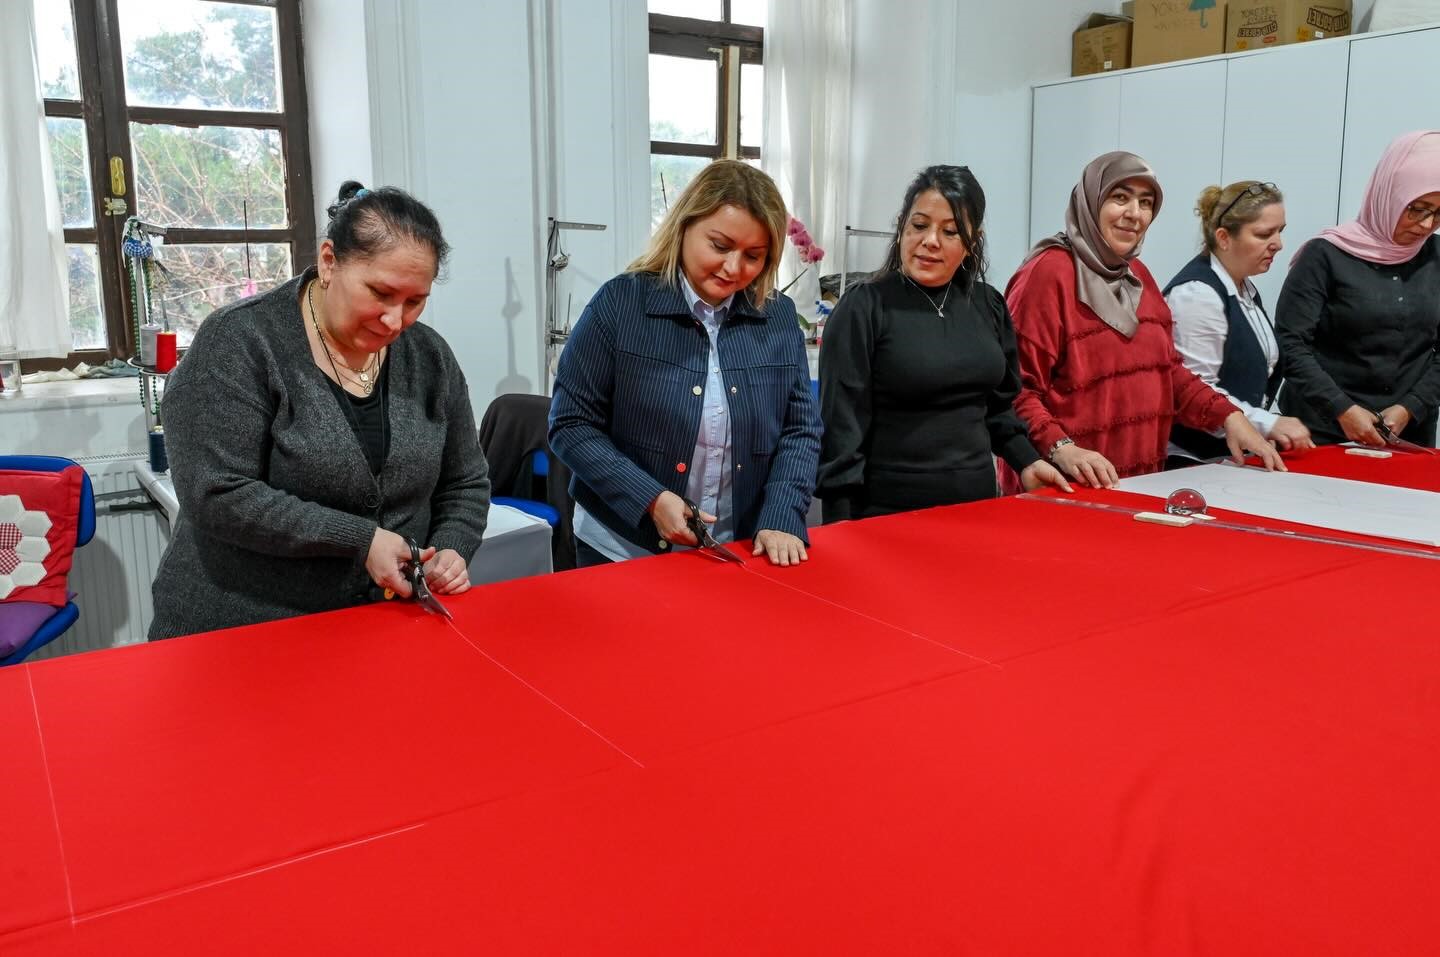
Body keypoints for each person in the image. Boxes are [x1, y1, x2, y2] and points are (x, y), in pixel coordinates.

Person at [149, 182, 490, 639]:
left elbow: (465, 480)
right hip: (241, 627)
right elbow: (216, 492)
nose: (396, 320)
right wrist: (361, 540)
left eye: (415, 301)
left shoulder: (429, 357)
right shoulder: (239, 342)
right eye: (381, 293)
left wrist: (451, 548)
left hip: (373, 629)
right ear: (329, 262)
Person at [548, 159, 820, 568]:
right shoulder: (620, 303)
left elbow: (800, 430)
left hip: (737, 546)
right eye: (720, 246)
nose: (733, 268)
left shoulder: (777, 316)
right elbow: (571, 424)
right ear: (684, 226)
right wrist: (650, 499)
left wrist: (782, 515)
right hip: (622, 548)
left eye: (753, 256)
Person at [1004, 151, 1285, 488]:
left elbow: (1168, 373)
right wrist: (1062, 447)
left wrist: (1229, 416)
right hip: (1064, 484)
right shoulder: (1048, 273)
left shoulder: (1138, 276)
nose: (1134, 214)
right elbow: (1013, 389)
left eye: (1146, 203)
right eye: (1120, 198)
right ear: (1091, 201)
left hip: (1135, 483)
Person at [816, 165, 1071, 522]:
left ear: (971, 243)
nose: (931, 240)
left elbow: (999, 409)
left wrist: (1027, 461)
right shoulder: (864, 307)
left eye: (950, 231)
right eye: (919, 225)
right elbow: (841, 433)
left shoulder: (988, 304)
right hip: (887, 515)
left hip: (977, 507)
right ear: (902, 227)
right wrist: (840, 527)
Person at [1276, 130, 1440, 448]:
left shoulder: (1437, 257)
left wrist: (1411, 406)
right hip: (1321, 429)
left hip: (1407, 433)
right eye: (1417, 208)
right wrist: (1342, 408)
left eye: (1438, 213)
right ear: (1390, 194)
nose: (1425, 224)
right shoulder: (1326, 254)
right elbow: (1291, 343)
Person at [1163, 181, 1313, 465]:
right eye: (1264, 234)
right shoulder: (1197, 295)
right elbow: (1195, 389)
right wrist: (1267, 423)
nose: (1278, 244)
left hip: (1227, 456)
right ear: (1223, 237)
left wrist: (1267, 422)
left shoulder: (1243, 288)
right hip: (1192, 458)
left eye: (1280, 231)